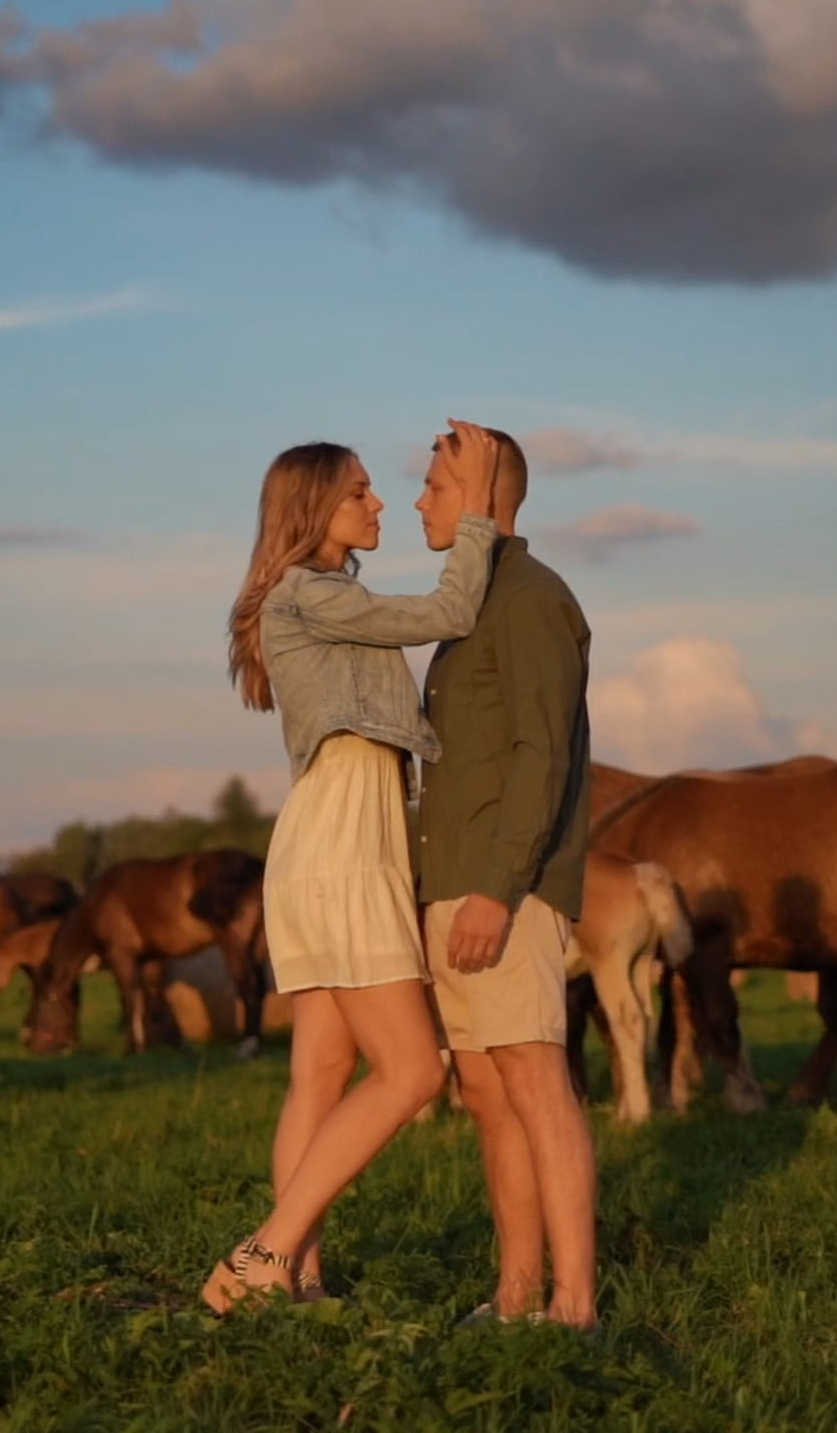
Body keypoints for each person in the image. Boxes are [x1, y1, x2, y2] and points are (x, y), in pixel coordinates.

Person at [203, 421, 504, 1313]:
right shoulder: (306, 594)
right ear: (313, 508)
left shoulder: (318, 597)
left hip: (335, 834)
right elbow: (448, 612)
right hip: (342, 839)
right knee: (414, 1073)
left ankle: (296, 1279)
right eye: (360, 491)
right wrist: (481, 508)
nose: (379, 504)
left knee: (322, 1075)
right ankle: (264, 1255)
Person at [416, 428, 598, 1329]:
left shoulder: (530, 599)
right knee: (489, 1099)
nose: (419, 501)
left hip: (505, 892)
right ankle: (516, 1293)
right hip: (455, 885)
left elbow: (543, 755)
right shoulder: (467, 604)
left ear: (486, 490)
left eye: (434, 482)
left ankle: (575, 1306)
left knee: (536, 1083)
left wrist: (498, 888)